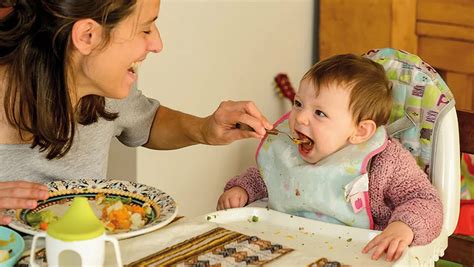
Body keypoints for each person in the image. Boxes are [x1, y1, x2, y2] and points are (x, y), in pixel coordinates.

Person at [0, 0, 272, 225]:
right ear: (87, 36)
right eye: (145, 29)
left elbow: (147, 121)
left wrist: (204, 129)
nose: (158, 44)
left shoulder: (103, 90)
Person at [217, 54, 443, 262]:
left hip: (358, 254)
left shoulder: (385, 162)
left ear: (360, 131)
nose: (301, 118)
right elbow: (270, 175)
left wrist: (403, 226)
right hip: (286, 247)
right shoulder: (289, 145)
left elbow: (425, 200)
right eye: (298, 104)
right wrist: (243, 189)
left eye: (320, 113)